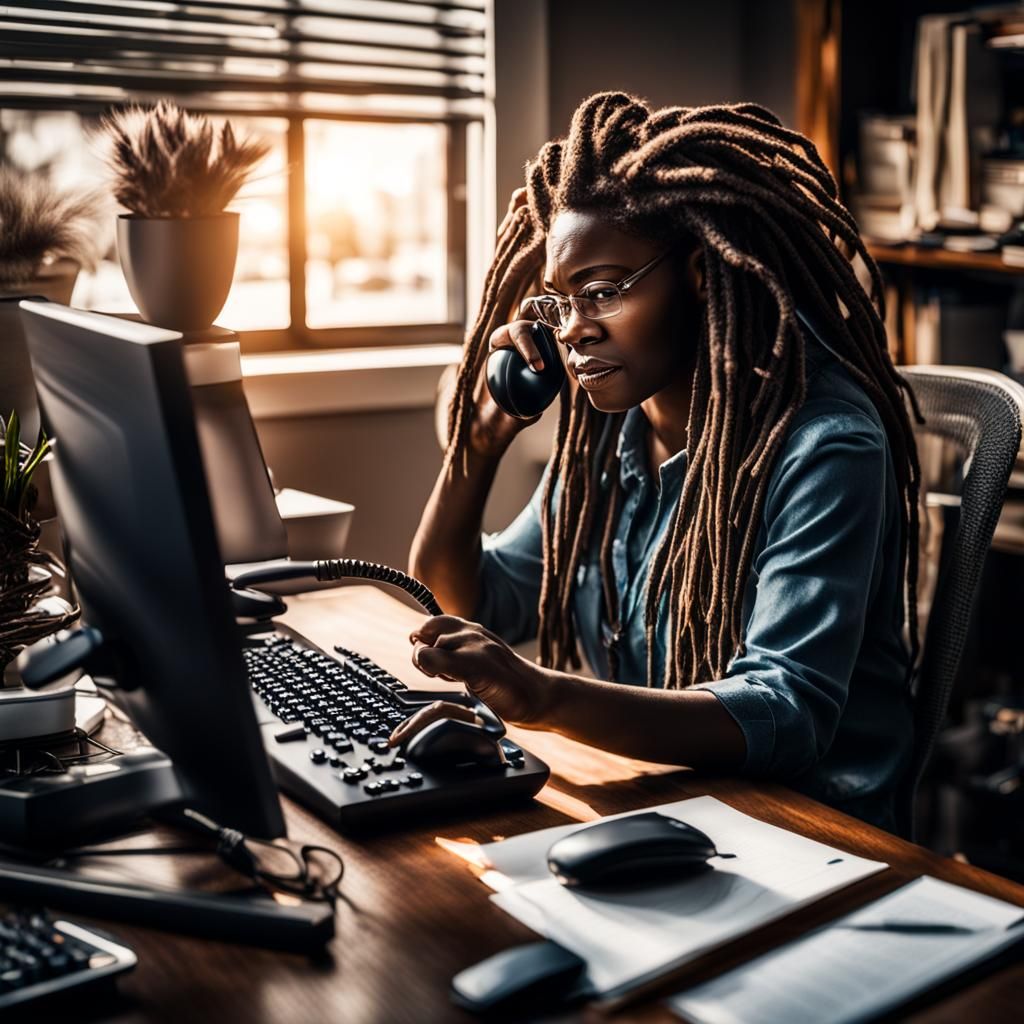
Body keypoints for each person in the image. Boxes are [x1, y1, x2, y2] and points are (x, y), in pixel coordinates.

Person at [394, 93, 922, 833]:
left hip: (812, 835)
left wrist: (546, 697)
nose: (575, 330)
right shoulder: (611, 429)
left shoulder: (825, 445)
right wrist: (474, 452)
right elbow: (476, 603)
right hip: (662, 805)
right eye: (559, 302)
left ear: (702, 273)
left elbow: (786, 711)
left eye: (602, 292)